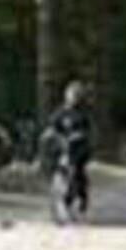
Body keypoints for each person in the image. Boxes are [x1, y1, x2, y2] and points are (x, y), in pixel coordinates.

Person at [43, 81, 94, 215]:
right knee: (57, 165)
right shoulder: (60, 112)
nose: (72, 97)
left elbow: (87, 129)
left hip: (78, 148)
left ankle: (81, 197)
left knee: (77, 171)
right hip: (62, 146)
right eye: (70, 94)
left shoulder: (82, 113)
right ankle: (57, 192)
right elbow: (52, 125)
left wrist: (80, 135)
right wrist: (48, 133)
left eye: (76, 95)